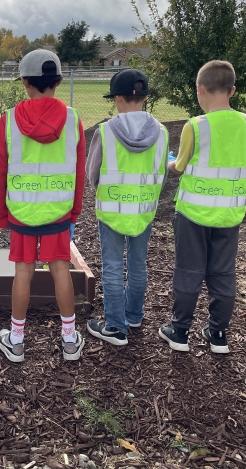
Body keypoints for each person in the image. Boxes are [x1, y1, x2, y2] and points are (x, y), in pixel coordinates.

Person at [0, 49, 87, 363]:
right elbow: (79, 170)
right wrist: (74, 209)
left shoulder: (7, 121)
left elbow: (0, 172)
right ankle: (70, 339)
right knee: (61, 270)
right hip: (58, 211)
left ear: (24, 82)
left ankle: (16, 341)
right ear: (58, 82)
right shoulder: (73, 120)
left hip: (21, 211)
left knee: (23, 272)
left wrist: (1, 213)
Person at [159, 60, 246, 354]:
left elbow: (180, 166)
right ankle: (217, 336)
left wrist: (168, 161)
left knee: (189, 271)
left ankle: (179, 332)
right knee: (223, 273)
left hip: (193, 215)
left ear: (201, 90)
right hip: (229, 215)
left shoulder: (196, 126)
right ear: (233, 90)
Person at [85, 69, 168, 346]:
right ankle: (134, 315)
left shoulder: (106, 131)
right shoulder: (163, 133)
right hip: (143, 211)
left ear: (118, 99)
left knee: (111, 266)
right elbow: (161, 174)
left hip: (111, 210)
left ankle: (115, 327)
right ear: (144, 97)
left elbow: (92, 172)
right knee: (137, 265)